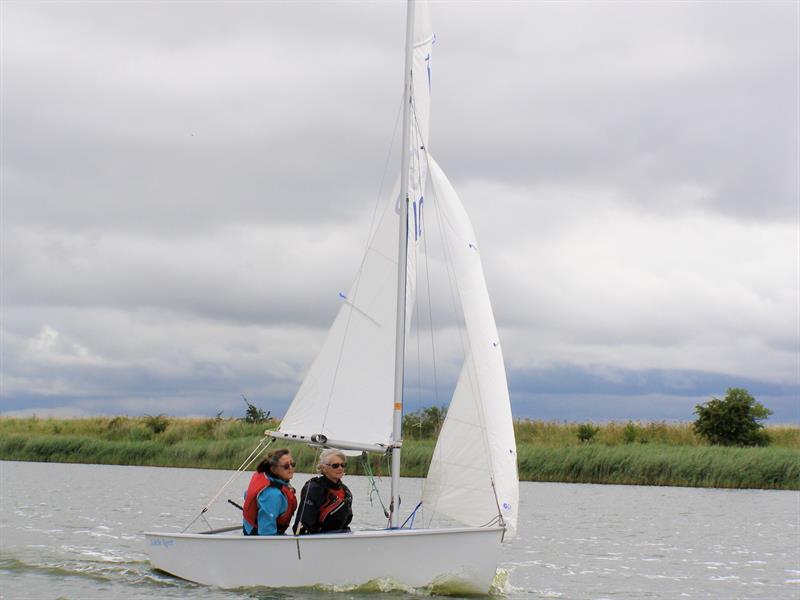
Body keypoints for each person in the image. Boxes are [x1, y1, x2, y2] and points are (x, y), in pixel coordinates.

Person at [293, 448, 353, 535]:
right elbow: (302, 524)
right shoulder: (314, 489)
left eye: (343, 465)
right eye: (335, 465)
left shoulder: (346, 491)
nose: (340, 468)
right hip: (318, 538)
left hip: (340, 537)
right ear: (324, 468)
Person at [242, 448, 297, 536]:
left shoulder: (273, 480)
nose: (290, 468)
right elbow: (266, 533)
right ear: (274, 470)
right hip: (259, 537)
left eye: (292, 464)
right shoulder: (273, 495)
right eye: (286, 466)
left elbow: (246, 494)